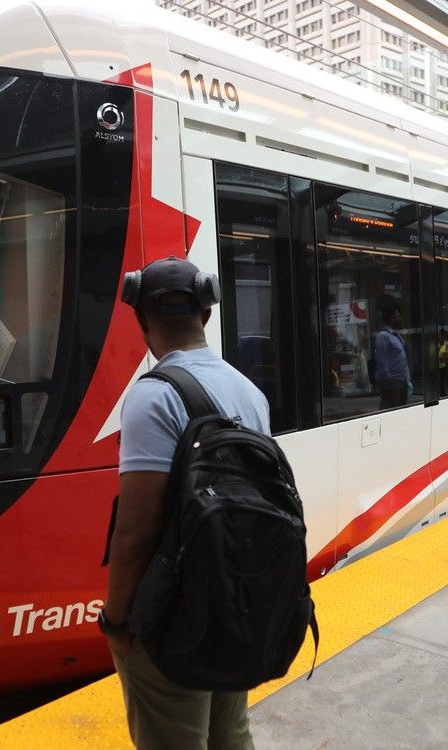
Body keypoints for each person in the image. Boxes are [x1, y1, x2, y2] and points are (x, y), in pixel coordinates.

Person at [101, 256, 269, 750]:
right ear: (207, 314)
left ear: (141, 322)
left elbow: (135, 534)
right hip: (234, 600)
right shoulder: (250, 392)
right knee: (230, 734)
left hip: (171, 614)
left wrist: (116, 621)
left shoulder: (154, 398)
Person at [373, 297, 410, 409]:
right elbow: (382, 363)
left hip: (402, 383)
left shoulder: (396, 335)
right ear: (392, 318)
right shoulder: (383, 336)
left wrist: (407, 380)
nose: (400, 318)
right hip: (392, 384)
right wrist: (391, 383)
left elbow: (403, 359)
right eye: (398, 316)